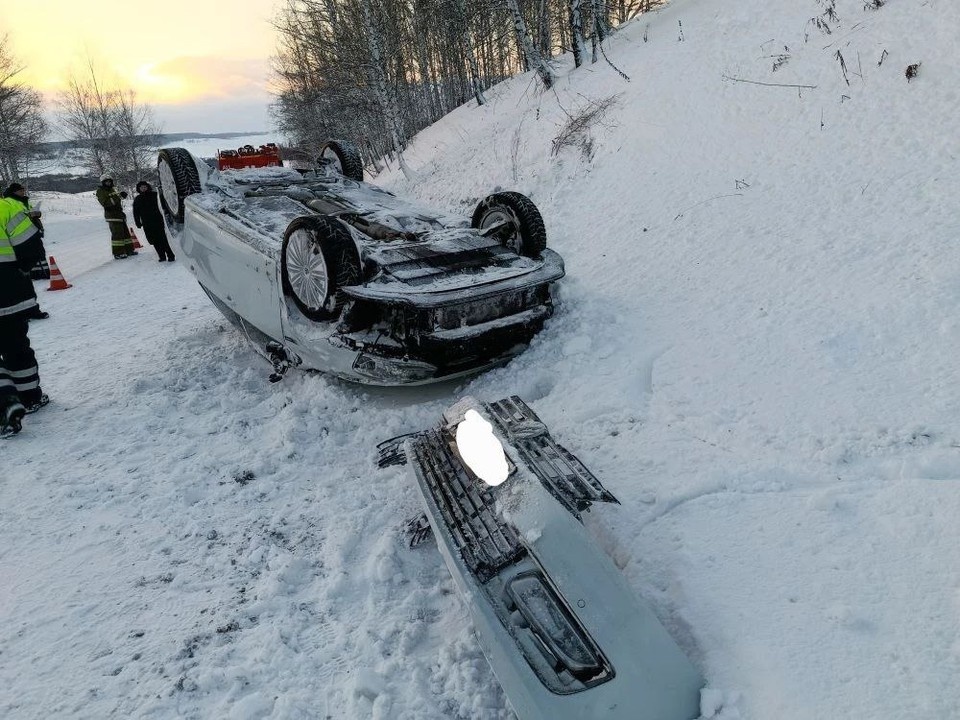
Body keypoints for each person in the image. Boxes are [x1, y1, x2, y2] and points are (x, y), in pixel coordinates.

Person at [0, 192, 50, 436]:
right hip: (10, 295)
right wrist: (20, 272)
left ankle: (6, 404)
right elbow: (32, 246)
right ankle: (30, 398)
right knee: (16, 346)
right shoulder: (7, 208)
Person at [3, 183, 50, 320]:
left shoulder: (22, 202)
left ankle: (30, 311)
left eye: (23, 189)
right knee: (17, 285)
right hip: (15, 250)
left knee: (25, 282)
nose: (23, 192)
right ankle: (22, 313)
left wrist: (36, 214)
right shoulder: (9, 204)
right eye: (20, 190)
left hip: (24, 245)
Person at [132, 180, 175, 262]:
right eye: (141, 187)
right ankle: (161, 256)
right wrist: (137, 222)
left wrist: (168, 216)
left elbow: (164, 205)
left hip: (158, 220)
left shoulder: (155, 195)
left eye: (145, 187)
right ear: (139, 189)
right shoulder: (138, 199)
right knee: (153, 240)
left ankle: (170, 255)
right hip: (147, 223)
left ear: (148, 187)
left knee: (163, 239)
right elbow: (136, 212)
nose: (143, 188)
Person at [96, 175, 137, 259]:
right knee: (117, 235)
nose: (108, 183)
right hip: (112, 215)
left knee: (125, 233)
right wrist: (118, 198)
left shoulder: (112, 189)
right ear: (103, 183)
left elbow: (117, 199)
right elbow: (106, 203)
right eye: (106, 181)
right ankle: (118, 253)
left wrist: (122, 196)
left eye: (110, 181)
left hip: (119, 214)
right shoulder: (100, 191)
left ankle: (129, 250)